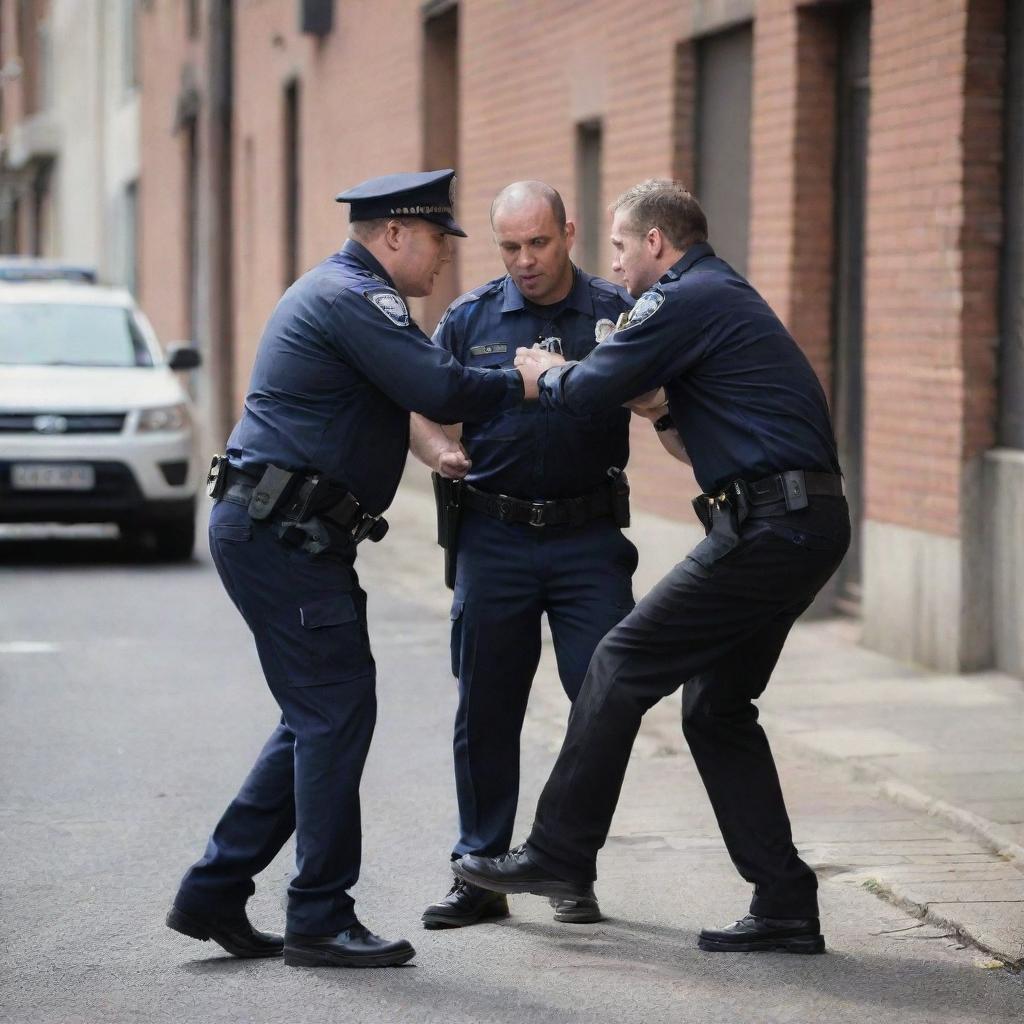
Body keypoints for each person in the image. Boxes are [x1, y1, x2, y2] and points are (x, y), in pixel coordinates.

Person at [454, 179, 850, 956]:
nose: (618, 264)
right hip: (798, 520)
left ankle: (558, 852)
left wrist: (547, 368)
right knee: (715, 708)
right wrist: (663, 407)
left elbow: (591, 385)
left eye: (621, 248)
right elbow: (692, 435)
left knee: (621, 660)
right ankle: (785, 903)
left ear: (656, 245)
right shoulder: (715, 296)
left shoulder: (684, 294)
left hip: (772, 525)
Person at [165, 170, 528, 969]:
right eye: (437, 241)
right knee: (334, 712)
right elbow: (436, 384)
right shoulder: (354, 297)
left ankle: (215, 889)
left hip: (287, 531)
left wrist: (438, 444)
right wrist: (527, 379)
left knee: (317, 714)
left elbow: (408, 405)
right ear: (395, 234)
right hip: (282, 534)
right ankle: (320, 915)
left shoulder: (348, 297)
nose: (443, 262)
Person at [410, 181, 638, 930]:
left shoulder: (613, 312)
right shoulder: (470, 317)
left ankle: (568, 865)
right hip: (494, 537)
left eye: (537, 243)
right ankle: (480, 874)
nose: (525, 261)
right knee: (486, 707)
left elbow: (664, 392)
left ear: (568, 233)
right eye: (509, 247)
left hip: (587, 541)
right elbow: (422, 408)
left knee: (602, 704)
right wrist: (442, 450)